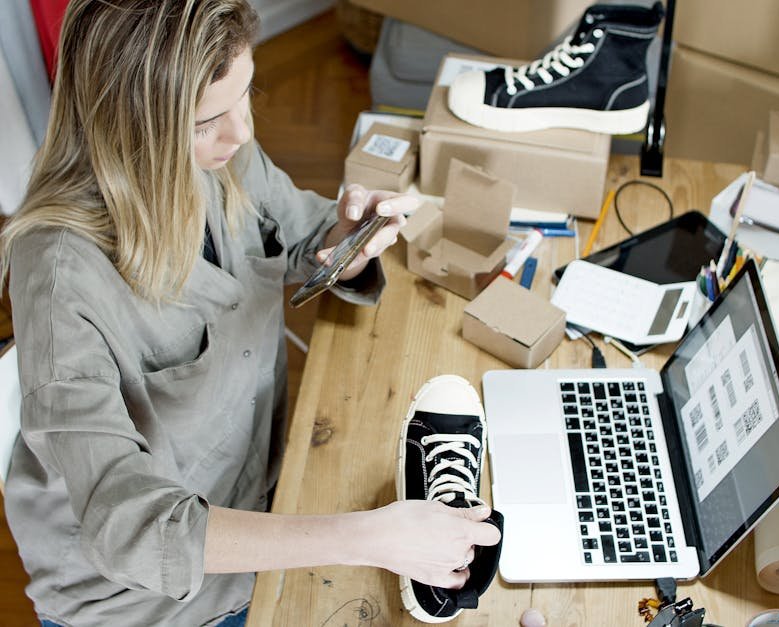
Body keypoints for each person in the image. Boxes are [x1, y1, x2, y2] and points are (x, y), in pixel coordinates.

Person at [0, 1, 501, 625]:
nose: (241, 133)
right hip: (151, 602)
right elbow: (130, 529)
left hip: (263, 493)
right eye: (209, 119)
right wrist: (369, 537)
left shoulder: (219, 153)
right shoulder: (59, 277)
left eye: (247, 95)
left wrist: (344, 242)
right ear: (129, 125)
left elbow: (296, 230)